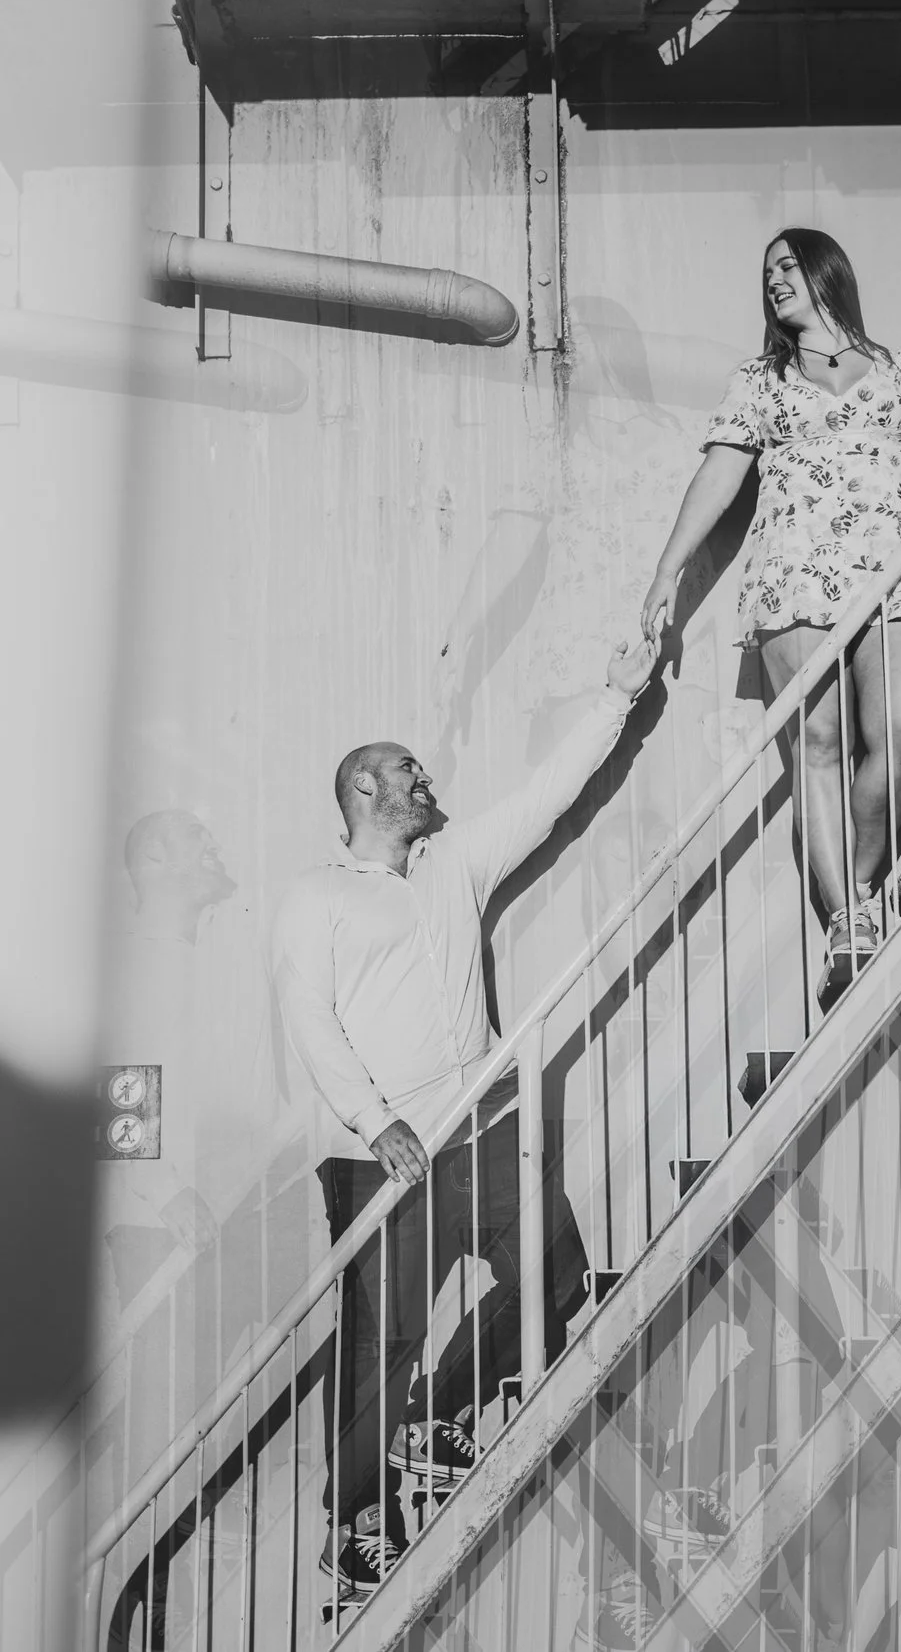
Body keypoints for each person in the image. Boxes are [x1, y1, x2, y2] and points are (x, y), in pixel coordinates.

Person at [271, 634, 659, 1605]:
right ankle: (356, 1525)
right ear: (364, 788)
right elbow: (308, 1018)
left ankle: (444, 1411)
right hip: (383, 1160)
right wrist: (372, 1119)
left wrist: (617, 696)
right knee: (378, 1347)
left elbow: (546, 798)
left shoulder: (452, 865)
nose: (425, 775)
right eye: (407, 767)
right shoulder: (314, 898)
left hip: (480, 1133)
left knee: (557, 1270)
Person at [639, 228, 901, 994]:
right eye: (767, 276)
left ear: (827, 272)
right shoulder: (760, 381)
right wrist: (668, 571)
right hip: (794, 577)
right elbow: (718, 481)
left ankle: (851, 887)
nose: (775, 283)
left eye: (788, 267)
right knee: (818, 746)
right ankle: (851, 920)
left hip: (895, 575)